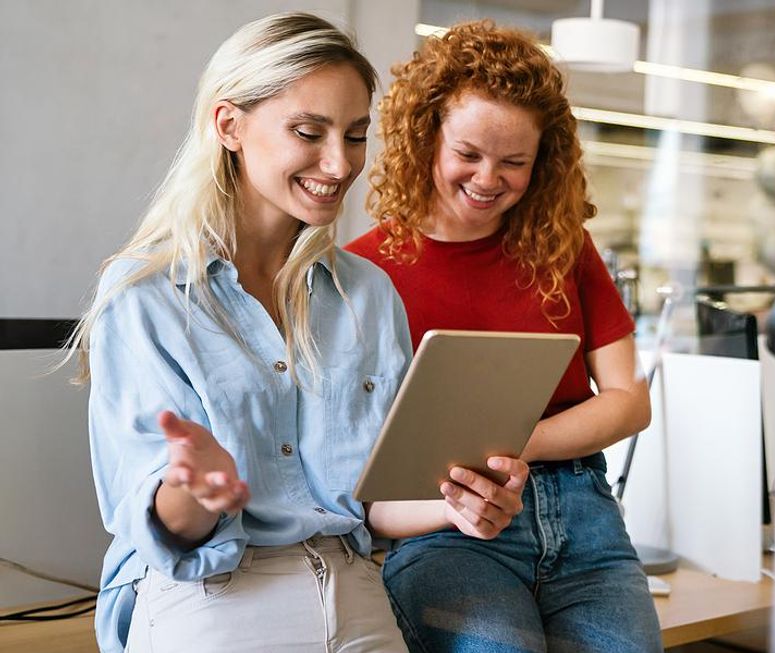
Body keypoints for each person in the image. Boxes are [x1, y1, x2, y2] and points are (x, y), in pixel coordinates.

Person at [69, 13, 527, 653]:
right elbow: (163, 529)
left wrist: (458, 507)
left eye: (357, 135)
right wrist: (193, 492)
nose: (340, 164)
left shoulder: (366, 293)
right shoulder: (146, 295)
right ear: (230, 126)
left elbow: (376, 503)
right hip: (213, 593)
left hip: (353, 584)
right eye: (309, 132)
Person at [346, 20, 664, 653]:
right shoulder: (365, 273)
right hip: (448, 525)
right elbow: (362, 471)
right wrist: (484, 477)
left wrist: (517, 448)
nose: (489, 179)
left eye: (514, 162)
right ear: (425, 137)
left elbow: (630, 401)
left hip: (584, 514)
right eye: (468, 154)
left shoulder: (564, 247)